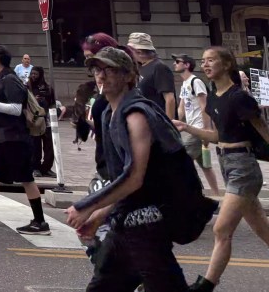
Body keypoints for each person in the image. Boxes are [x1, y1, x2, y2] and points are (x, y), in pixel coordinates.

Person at [65, 46, 199, 292]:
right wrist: (99, 216)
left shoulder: (136, 114)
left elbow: (134, 177)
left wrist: (87, 206)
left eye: (110, 70)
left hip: (148, 221)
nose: (101, 76)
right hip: (128, 221)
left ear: (129, 76)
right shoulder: (108, 113)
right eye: (97, 69)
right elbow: (123, 180)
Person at [174, 45, 269, 292]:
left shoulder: (239, 97)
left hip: (243, 168)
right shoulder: (215, 98)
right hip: (226, 163)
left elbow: (262, 129)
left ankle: (206, 285)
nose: (205, 65)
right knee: (261, 227)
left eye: (211, 60)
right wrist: (186, 127)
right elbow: (218, 136)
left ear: (226, 65)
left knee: (221, 229)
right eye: (203, 61)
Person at [0, 45, 50, 234]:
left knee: (26, 178)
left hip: (15, 137)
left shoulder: (10, 79)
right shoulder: (2, 78)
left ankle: (40, 222)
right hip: (6, 136)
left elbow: (16, 109)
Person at [172, 54, 222, 196]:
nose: (174, 64)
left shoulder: (196, 82)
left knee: (182, 163)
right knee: (205, 165)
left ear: (187, 65)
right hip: (191, 129)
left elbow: (204, 106)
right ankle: (217, 195)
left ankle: (189, 194)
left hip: (198, 129)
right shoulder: (184, 84)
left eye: (177, 62)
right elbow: (181, 109)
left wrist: (206, 131)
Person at [82, 33, 120, 181]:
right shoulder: (101, 97)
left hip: (119, 175)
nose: (100, 75)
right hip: (106, 169)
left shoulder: (130, 105)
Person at [127, 32, 176, 121]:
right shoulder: (141, 67)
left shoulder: (159, 67)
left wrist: (169, 126)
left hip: (158, 123)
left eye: (130, 51)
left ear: (139, 52)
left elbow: (170, 99)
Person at [28, 66, 57, 178]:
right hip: (34, 121)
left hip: (47, 120)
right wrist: (34, 100)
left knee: (49, 146)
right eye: (32, 73)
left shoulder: (48, 88)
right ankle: (35, 167)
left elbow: (52, 103)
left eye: (35, 74)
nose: (33, 76)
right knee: (35, 146)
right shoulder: (27, 87)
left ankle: (46, 168)